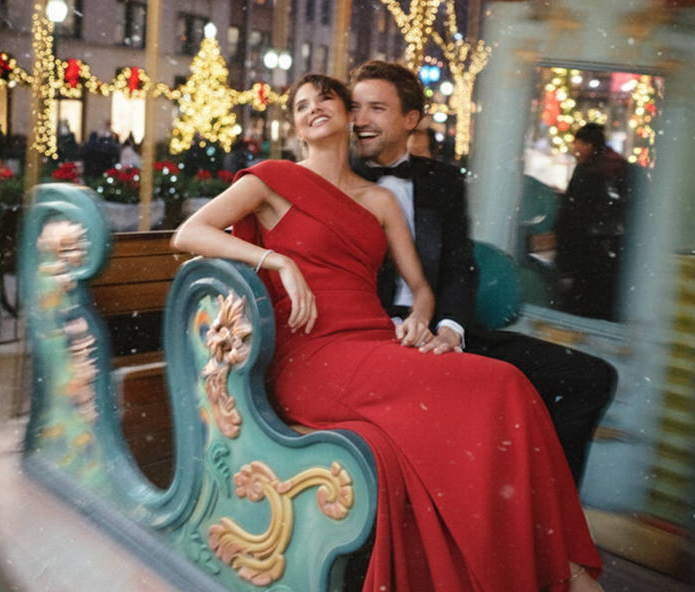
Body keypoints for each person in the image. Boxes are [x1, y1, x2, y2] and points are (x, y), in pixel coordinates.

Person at [173, 72, 603, 592]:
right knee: (500, 386)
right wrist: (276, 260)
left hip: (375, 343)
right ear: (295, 125)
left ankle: (547, 567)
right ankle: (555, 571)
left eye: (324, 99)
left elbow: (422, 287)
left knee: (509, 390)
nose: (312, 109)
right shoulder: (268, 178)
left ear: (347, 115)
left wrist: (422, 319)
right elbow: (189, 232)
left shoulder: (378, 201)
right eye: (301, 105)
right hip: (312, 358)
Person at [349, 60, 616, 487]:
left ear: (410, 119)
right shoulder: (334, 177)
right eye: (355, 107)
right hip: (378, 341)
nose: (360, 121)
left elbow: (458, 264)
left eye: (376, 109)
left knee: (592, 377)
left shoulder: (443, 181)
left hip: (445, 332)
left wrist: (452, 329)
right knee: (484, 398)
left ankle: (545, 517)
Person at [555, 122, 632, 321]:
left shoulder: (585, 172)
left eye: (577, 145)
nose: (575, 151)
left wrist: (565, 265)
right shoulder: (624, 169)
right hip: (616, 259)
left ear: (588, 145)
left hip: (587, 257)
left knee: (582, 313)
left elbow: (571, 218)